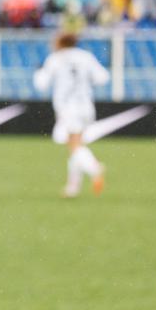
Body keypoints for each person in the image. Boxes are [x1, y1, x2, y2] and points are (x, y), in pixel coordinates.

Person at [33, 31, 110, 198]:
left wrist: (38, 71)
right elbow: (102, 77)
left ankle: (94, 167)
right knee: (76, 144)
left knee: (74, 146)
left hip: (68, 108)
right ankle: (72, 187)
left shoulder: (55, 58)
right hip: (86, 106)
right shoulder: (85, 56)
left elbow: (41, 84)